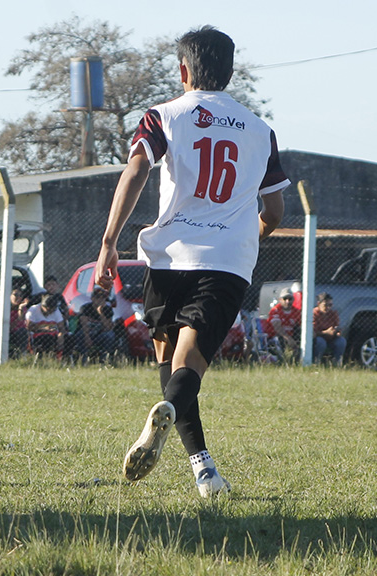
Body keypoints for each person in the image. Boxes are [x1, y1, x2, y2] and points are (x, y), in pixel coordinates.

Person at [95, 26, 288, 497]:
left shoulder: (164, 116)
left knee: (169, 363)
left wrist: (108, 243)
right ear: (231, 71)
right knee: (189, 369)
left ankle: (204, 471)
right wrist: (250, 235)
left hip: (168, 259)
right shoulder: (261, 131)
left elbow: (137, 169)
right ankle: (194, 458)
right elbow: (276, 212)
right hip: (224, 263)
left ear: (183, 70)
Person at [76, 285, 116, 360]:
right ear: (92, 298)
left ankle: (104, 359)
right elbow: (84, 324)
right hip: (87, 333)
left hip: (99, 335)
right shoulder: (85, 308)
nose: (100, 300)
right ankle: (83, 358)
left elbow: (108, 327)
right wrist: (87, 337)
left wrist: (100, 313)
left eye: (103, 298)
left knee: (110, 335)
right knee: (80, 334)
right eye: (97, 297)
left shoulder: (107, 309)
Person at [24, 292, 70, 357]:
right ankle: (46, 358)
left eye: (52, 310)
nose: (50, 312)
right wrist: (43, 329)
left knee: (69, 339)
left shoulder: (56, 311)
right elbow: (28, 327)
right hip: (38, 335)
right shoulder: (34, 309)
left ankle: (63, 360)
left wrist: (61, 335)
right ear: (42, 306)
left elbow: (61, 327)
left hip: (54, 335)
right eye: (48, 310)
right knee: (48, 338)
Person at [0, 287, 30, 356]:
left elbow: (20, 323)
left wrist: (20, 308)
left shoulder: (22, 308)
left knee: (23, 332)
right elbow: (6, 325)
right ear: (9, 296)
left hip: (12, 333)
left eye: (20, 295)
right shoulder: (1, 306)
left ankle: (21, 354)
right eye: (15, 295)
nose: (18, 297)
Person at [266, 286, 302, 359]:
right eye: (285, 299)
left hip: (291, 336)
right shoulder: (275, 310)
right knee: (278, 339)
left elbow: (301, 325)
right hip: (276, 336)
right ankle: (282, 360)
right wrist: (288, 339)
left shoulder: (296, 311)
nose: (287, 301)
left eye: (290, 299)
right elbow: (277, 328)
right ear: (280, 299)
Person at [312, 292, 346, 365]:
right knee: (321, 342)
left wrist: (337, 332)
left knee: (341, 341)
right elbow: (313, 333)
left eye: (330, 305)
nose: (328, 308)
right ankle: (316, 362)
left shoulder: (333, 313)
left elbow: (337, 326)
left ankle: (336, 363)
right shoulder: (314, 313)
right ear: (319, 304)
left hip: (331, 339)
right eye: (325, 305)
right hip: (318, 339)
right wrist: (325, 332)